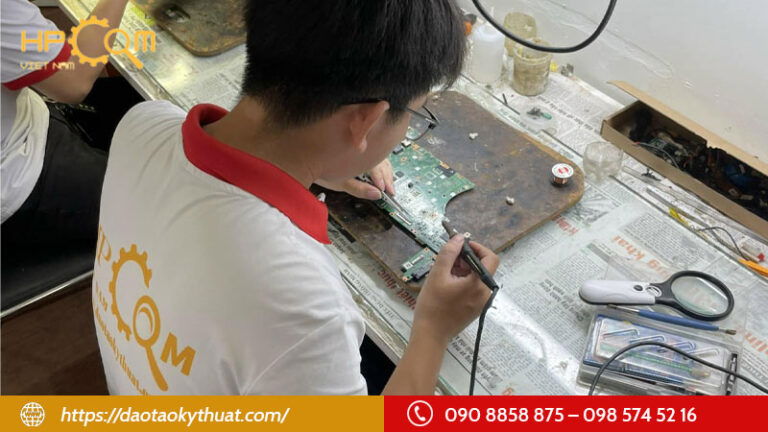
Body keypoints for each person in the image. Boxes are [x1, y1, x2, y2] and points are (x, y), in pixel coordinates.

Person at [92, 0, 498, 395]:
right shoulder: (303, 308)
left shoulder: (143, 124)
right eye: (415, 113)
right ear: (365, 120)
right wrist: (433, 331)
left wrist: (324, 162)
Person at [1, 0, 134, 253]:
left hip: (24, 116)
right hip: (15, 176)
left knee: (127, 107)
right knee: (157, 201)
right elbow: (75, 79)